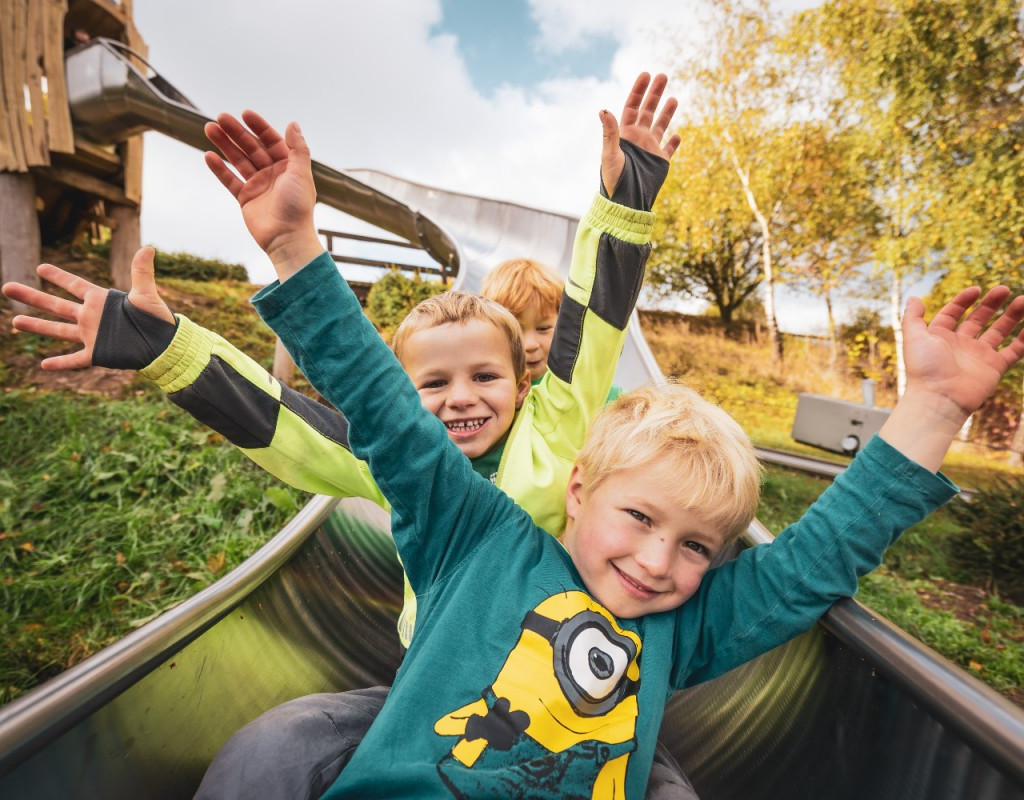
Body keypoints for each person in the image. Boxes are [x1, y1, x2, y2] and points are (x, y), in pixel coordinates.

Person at [197, 86, 1024, 797]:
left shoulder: (683, 627)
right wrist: (294, 247)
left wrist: (935, 406)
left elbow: (816, 560)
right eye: (640, 517)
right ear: (579, 489)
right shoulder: (476, 541)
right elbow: (388, 414)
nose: (659, 563)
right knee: (270, 748)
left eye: (698, 546)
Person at [6, 74, 697, 799]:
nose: (462, 397)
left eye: (485, 377)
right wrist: (167, 349)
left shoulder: (554, 433)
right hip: (439, 691)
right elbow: (277, 419)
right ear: (402, 397)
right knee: (271, 749)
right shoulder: (400, 463)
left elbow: (592, 325)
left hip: (587, 701)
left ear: (523, 384)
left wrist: (625, 202)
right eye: (434, 384)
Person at [481, 257, 622, 400]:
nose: (530, 345)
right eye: (516, 332)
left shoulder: (584, 386)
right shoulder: (488, 392)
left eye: (543, 328)